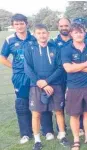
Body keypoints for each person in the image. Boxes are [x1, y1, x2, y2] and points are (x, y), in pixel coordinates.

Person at [24, 24, 70, 150]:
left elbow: (61, 68)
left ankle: (62, 135)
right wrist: (41, 82)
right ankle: (37, 140)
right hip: (36, 85)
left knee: (59, 111)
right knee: (36, 113)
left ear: (48, 34)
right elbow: (27, 68)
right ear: (34, 35)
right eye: (39, 33)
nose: (42, 35)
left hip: (55, 85)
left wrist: (47, 81)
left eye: (44, 33)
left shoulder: (55, 48)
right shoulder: (29, 48)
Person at [61, 23, 87, 150]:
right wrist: (86, 64)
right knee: (74, 115)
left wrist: (77, 67)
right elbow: (68, 69)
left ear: (84, 33)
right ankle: (76, 140)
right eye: (76, 32)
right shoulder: (66, 49)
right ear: (71, 34)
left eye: (81, 32)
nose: (79, 34)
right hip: (74, 87)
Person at [0, 13, 36, 144]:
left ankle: (45, 130)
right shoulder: (10, 40)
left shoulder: (34, 37)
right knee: (22, 104)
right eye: (16, 24)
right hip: (20, 77)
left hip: (36, 76)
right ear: (13, 25)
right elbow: (2, 57)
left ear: (26, 24)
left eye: (21, 23)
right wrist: (14, 68)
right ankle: (26, 133)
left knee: (40, 102)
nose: (19, 26)